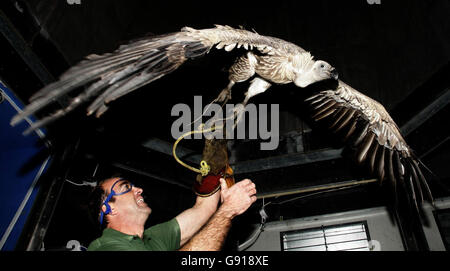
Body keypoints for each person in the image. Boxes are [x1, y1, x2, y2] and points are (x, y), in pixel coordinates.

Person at [87, 176, 257, 251]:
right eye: (126, 187)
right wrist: (227, 211)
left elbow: (203, 209)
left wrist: (213, 165)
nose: (138, 189)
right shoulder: (106, 246)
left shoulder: (153, 238)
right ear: (108, 208)